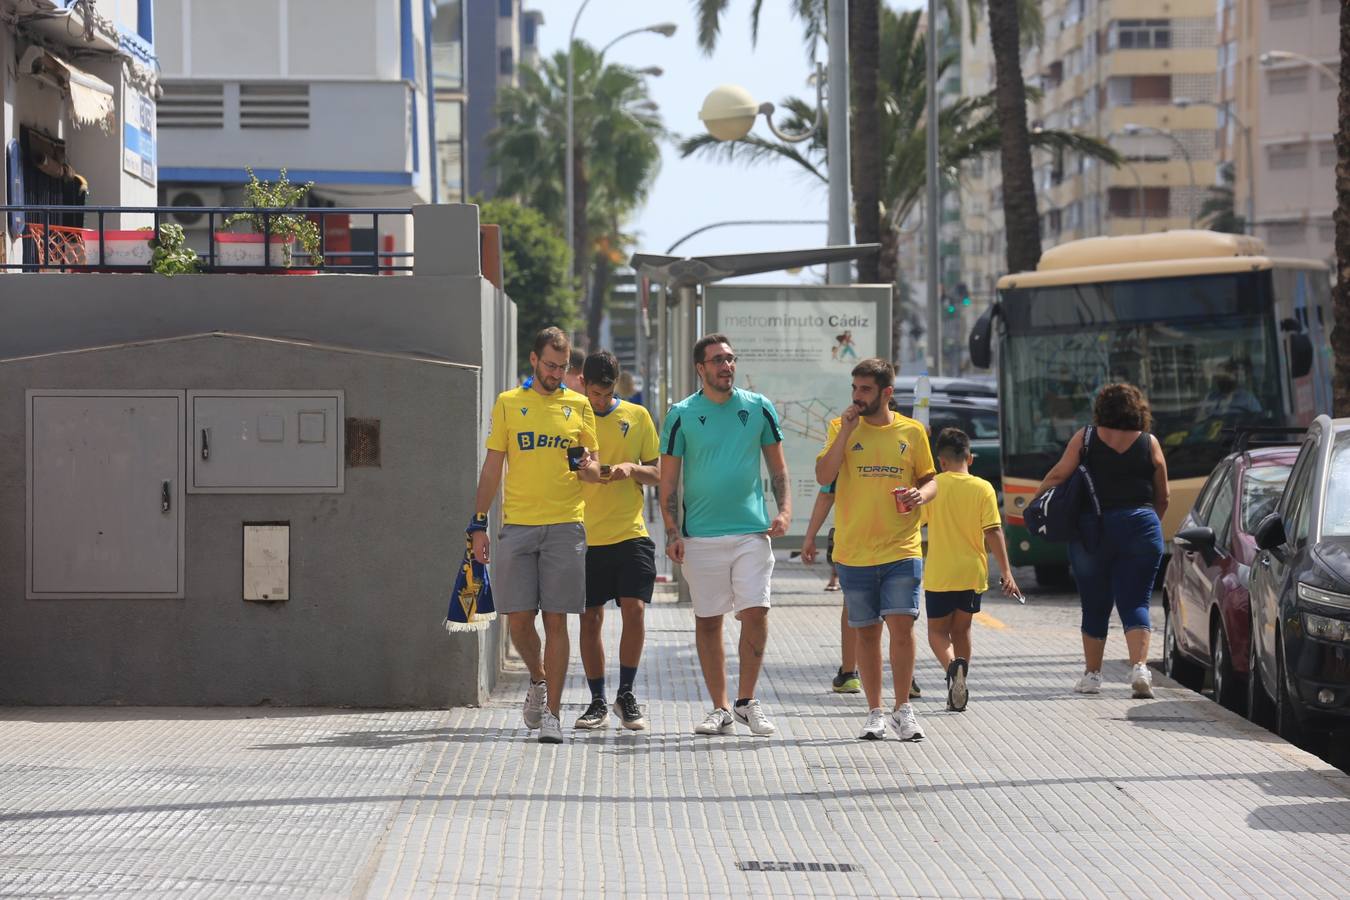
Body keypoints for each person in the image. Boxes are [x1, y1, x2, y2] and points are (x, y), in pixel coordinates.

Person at [470, 326, 601, 744]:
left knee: (556, 618)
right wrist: (477, 522)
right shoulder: (510, 403)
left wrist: (589, 468)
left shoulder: (579, 406)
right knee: (519, 619)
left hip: (566, 524)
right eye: (550, 366)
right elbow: (493, 466)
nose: (556, 374)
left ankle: (554, 716)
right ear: (533, 360)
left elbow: (594, 469)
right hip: (519, 525)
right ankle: (539, 679)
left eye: (563, 368)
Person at [659, 333, 791, 737]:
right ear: (701, 368)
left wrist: (784, 511)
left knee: (756, 611)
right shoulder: (680, 414)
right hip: (700, 538)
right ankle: (719, 708)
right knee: (708, 621)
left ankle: (746, 700)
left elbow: (778, 469)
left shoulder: (758, 407)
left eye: (730, 359)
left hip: (752, 532)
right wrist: (672, 531)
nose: (726, 366)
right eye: (717, 360)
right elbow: (668, 482)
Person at [816, 358, 936, 742]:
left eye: (865, 389)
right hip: (854, 552)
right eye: (854, 389)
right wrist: (845, 433)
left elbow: (931, 480)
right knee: (866, 634)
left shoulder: (913, 432)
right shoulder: (840, 427)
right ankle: (875, 711)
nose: (857, 396)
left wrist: (921, 494)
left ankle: (904, 709)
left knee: (902, 628)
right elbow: (824, 476)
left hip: (902, 547)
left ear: (886, 393)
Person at [1037, 382, 1169, 699]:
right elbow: (1162, 496)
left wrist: (1038, 501)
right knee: (1136, 600)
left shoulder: (1086, 438)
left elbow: (1058, 476)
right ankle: (1139, 669)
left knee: (1095, 602)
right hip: (1141, 526)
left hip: (1092, 531)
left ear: (1101, 409)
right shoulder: (1150, 443)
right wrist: (1147, 527)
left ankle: (1093, 676)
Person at [574, 351, 661, 731]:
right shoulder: (573, 415)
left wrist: (633, 469)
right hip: (585, 535)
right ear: (582, 383)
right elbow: (570, 469)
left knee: (635, 609)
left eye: (606, 393)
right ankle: (596, 700)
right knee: (591, 617)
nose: (600, 400)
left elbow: (658, 473)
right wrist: (594, 471)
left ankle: (626, 693)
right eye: (594, 392)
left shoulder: (637, 417)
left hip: (630, 531)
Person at [921, 428, 1021, 712]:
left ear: (941, 461)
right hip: (971, 572)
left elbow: (916, 523)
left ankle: (952, 669)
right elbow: (994, 531)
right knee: (962, 629)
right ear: (969, 457)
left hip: (940, 573)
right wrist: (1007, 572)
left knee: (937, 633)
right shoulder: (983, 488)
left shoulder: (934, 486)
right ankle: (961, 676)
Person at [801, 485, 860, 694]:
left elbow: (827, 493)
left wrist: (810, 536)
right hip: (898, 543)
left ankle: (850, 672)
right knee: (897, 612)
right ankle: (907, 679)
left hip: (856, 540)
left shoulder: (841, 451)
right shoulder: (910, 449)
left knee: (853, 605)